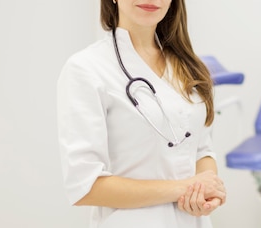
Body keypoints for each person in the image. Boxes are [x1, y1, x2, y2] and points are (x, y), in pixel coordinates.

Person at [56, 0, 226, 227]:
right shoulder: (86, 69)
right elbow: (86, 186)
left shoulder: (188, 66)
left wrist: (207, 190)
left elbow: (202, 150)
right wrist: (183, 188)